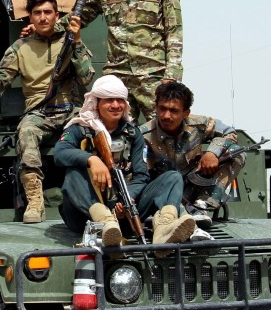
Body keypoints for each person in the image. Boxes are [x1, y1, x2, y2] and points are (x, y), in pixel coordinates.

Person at [0, 0, 94, 223]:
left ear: (56, 15)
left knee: (96, 131)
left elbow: (87, 78)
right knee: (26, 132)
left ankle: (97, 197)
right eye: (37, 13)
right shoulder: (20, 48)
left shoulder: (70, 41)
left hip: (70, 109)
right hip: (39, 112)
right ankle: (35, 200)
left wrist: (76, 41)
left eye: (48, 12)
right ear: (30, 17)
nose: (43, 17)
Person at [54, 75, 195, 246]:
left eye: (120, 100)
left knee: (172, 177)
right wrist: (91, 159)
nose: (115, 105)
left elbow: (141, 176)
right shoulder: (80, 128)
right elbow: (60, 153)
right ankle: (105, 222)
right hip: (84, 217)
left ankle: (165, 227)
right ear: (96, 103)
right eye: (109, 100)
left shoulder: (133, 134)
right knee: (74, 171)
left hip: (125, 214)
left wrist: (126, 200)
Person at [65, 0, 183, 121]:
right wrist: (42, 27)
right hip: (118, 77)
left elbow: (174, 34)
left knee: (163, 127)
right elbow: (76, 19)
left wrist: (171, 77)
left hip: (153, 75)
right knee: (116, 130)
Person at [143, 81, 245, 224]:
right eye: (162, 109)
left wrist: (212, 153)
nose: (166, 116)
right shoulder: (143, 135)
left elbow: (229, 132)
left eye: (174, 111)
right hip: (161, 193)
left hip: (192, 186)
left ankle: (201, 205)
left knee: (236, 153)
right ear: (155, 107)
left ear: (186, 113)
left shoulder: (199, 124)